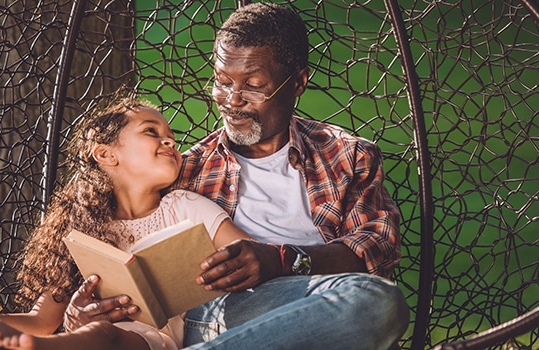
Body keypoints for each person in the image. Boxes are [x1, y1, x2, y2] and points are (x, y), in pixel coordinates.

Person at [62, 3, 410, 349]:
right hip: (220, 315)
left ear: (298, 82)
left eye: (254, 85)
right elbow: (105, 228)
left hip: (315, 307)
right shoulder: (185, 171)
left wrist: (282, 260)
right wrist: (79, 312)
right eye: (222, 82)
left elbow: (375, 248)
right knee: (376, 307)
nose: (232, 100)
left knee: (376, 301)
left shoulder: (346, 155)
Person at [0, 95, 258, 349]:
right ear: (107, 155)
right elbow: (42, 320)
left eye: (170, 135)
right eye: (151, 131)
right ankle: (29, 346)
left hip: (163, 339)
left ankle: (32, 348)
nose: (169, 139)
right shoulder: (85, 231)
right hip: (102, 339)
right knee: (102, 334)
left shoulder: (187, 207)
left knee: (107, 335)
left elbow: (253, 255)